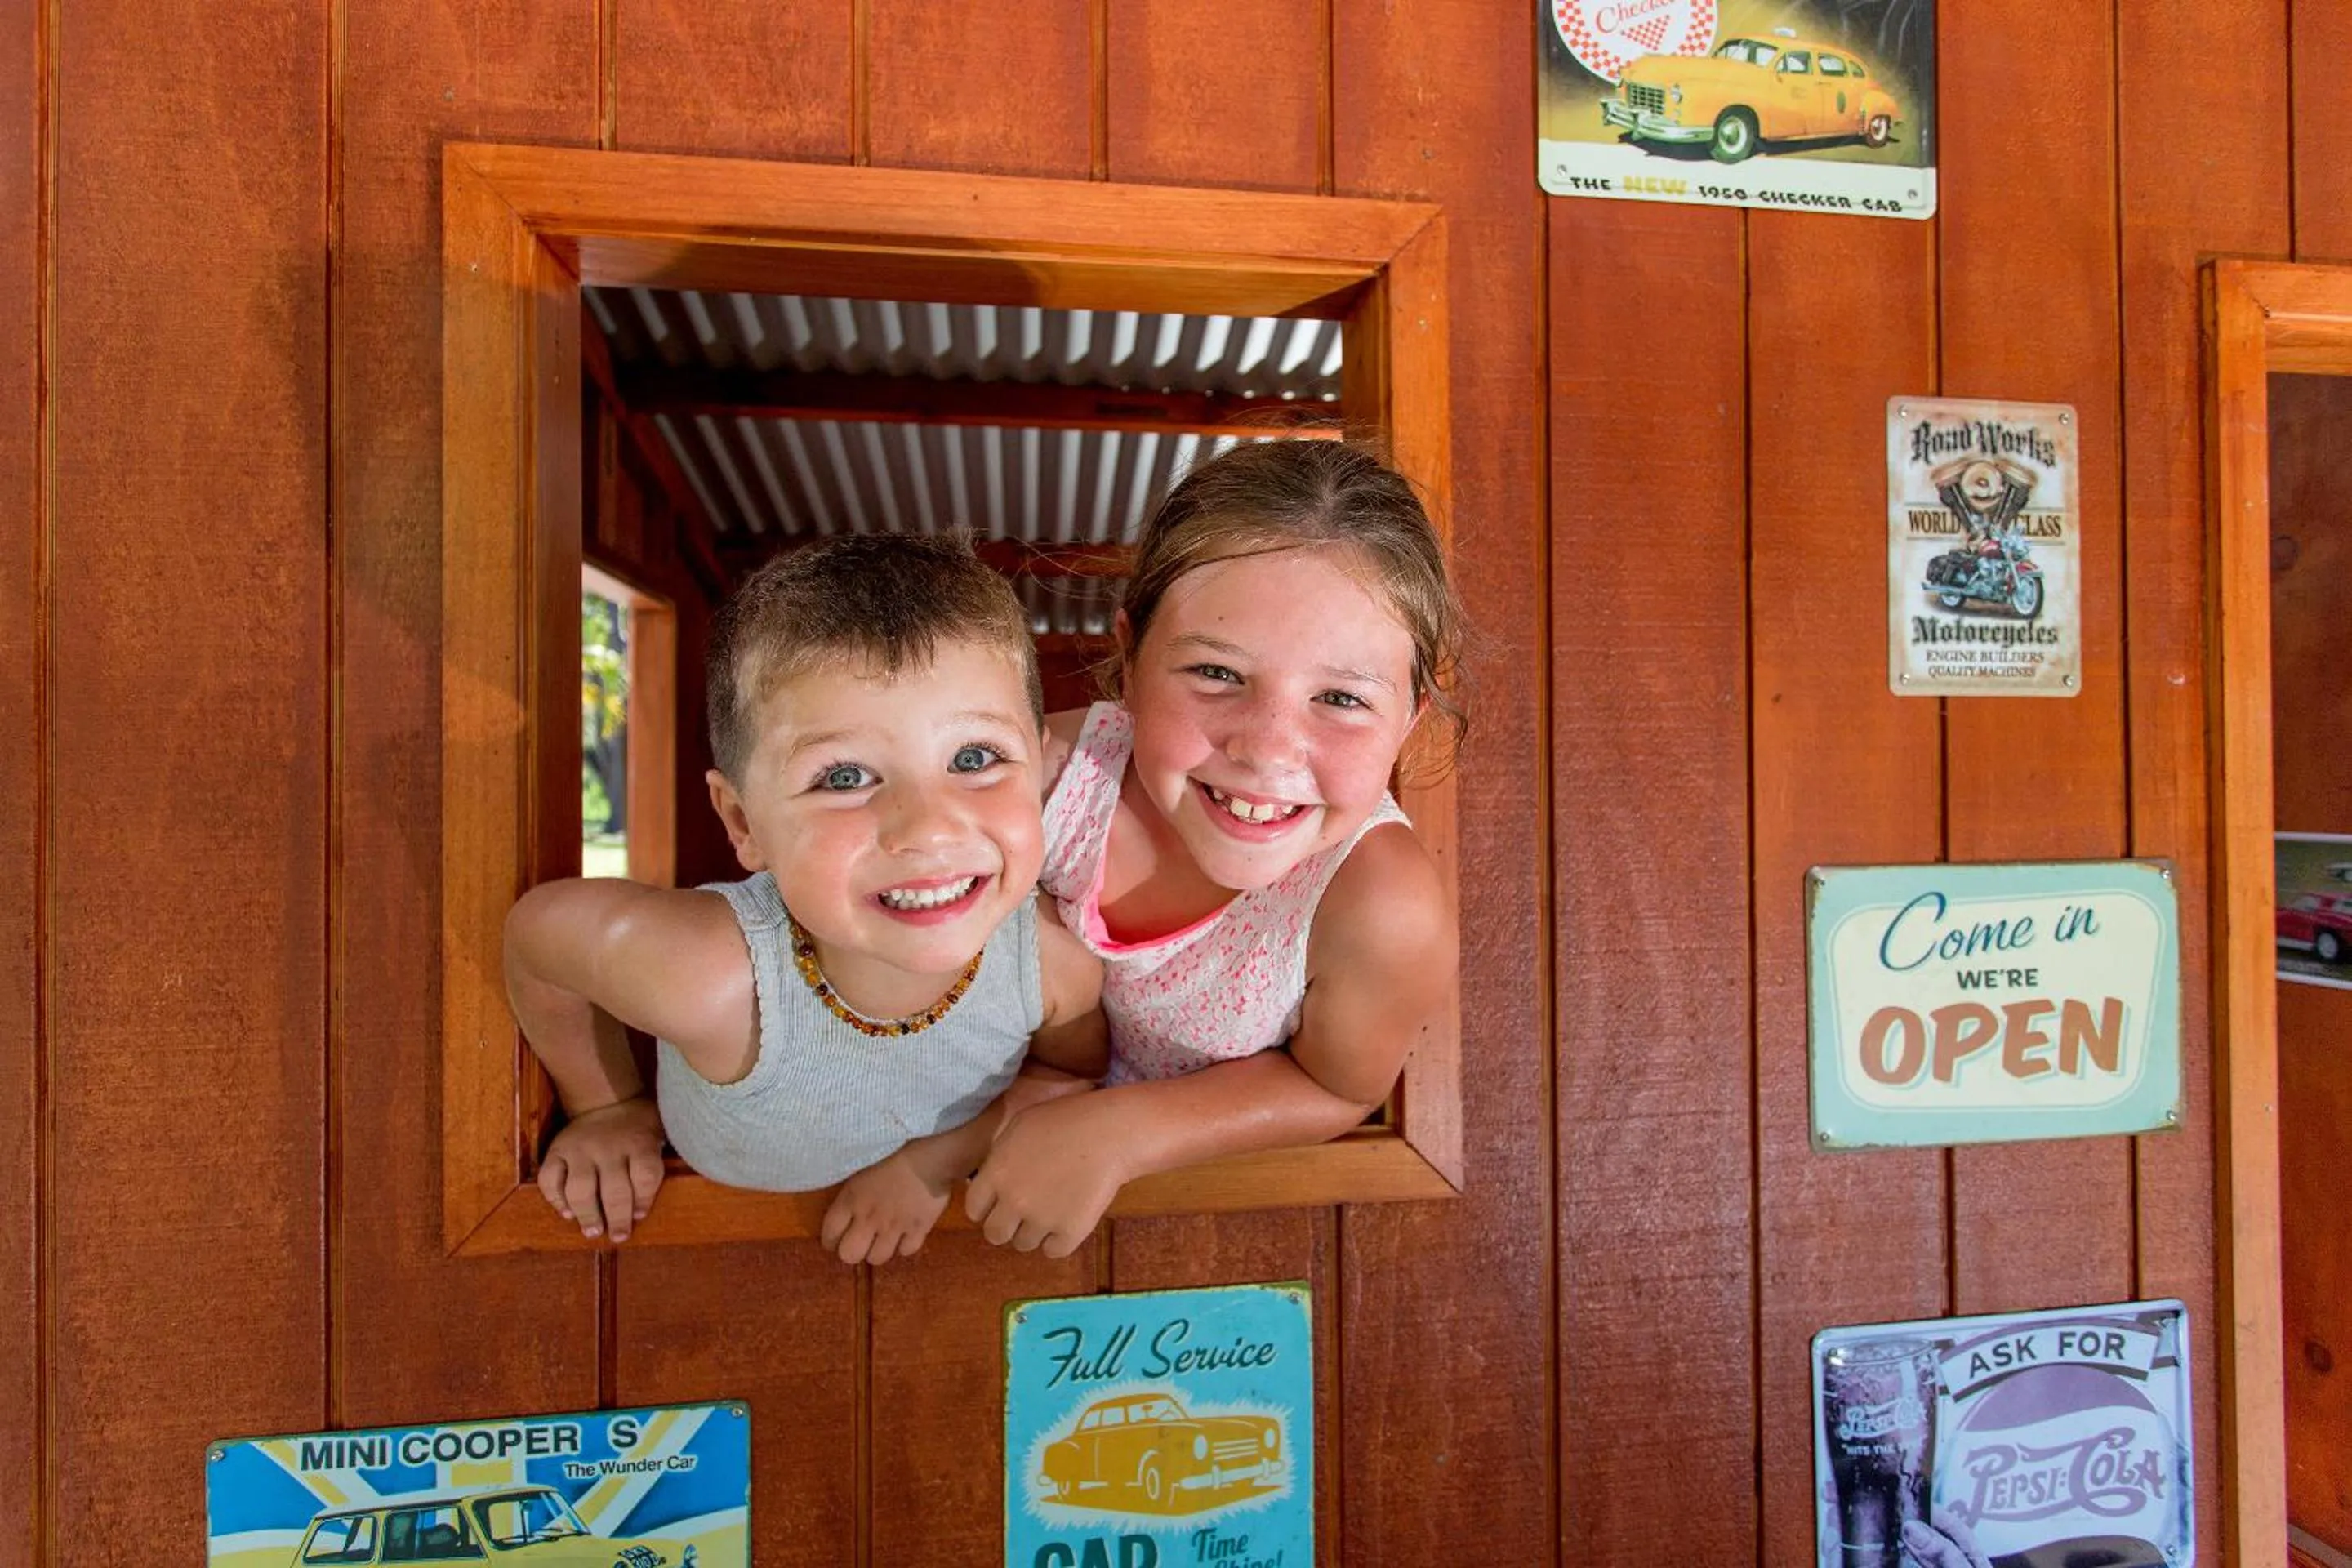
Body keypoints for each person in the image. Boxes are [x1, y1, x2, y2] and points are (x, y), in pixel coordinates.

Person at [936, 437, 1465, 1257]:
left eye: (1340, 698)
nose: (1266, 749)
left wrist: (1117, 1132)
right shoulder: (1045, 783)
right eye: (1217, 673)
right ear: (1131, 659)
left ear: (1408, 718)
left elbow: (1335, 1087)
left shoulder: (1380, 906)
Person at [504, 534, 1103, 1248]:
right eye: (844, 777)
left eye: (975, 758)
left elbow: (1062, 1077)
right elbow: (538, 935)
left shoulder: (1055, 965)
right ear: (742, 821)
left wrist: (931, 1167)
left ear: (1038, 769)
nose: (929, 829)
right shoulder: (710, 975)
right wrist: (606, 1104)